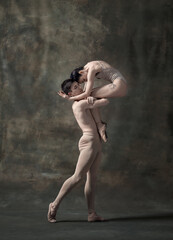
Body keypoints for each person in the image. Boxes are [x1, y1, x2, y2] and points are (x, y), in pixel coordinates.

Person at [48, 79, 109, 223]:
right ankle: (54, 205)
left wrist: (87, 98)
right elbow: (106, 101)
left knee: (92, 179)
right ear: (71, 93)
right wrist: (92, 98)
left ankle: (91, 214)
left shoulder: (82, 101)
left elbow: (95, 106)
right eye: (76, 87)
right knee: (77, 177)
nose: (80, 87)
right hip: (89, 142)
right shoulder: (80, 104)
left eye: (79, 85)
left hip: (96, 143)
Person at [58, 60, 128, 141]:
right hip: (121, 83)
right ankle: (99, 125)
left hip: (119, 85)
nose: (85, 81)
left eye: (83, 80)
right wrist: (85, 98)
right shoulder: (88, 67)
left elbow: (86, 93)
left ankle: (99, 125)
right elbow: (85, 92)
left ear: (81, 72)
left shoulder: (91, 69)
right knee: (89, 96)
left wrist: (69, 98)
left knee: (89, 95)